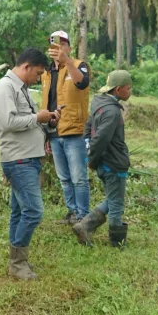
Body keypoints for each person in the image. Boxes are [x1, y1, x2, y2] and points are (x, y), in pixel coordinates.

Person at [0, 47, 57, 280]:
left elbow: (26, 119)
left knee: (19, 211)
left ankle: (16, 260)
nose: (38, 78)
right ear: (26, 67)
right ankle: (17, 262)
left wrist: (46, 119)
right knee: (34, 211)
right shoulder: (4, 88)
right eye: (37, 73)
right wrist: (38, 117)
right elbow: (8, 122)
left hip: (28, 157)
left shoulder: (21, 88)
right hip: (18, 159)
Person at [73, 70, 132, 249]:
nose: (130, 92)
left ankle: (85, 224)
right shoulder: (112, 112)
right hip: (112, 162)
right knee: (116, 203)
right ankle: (116, 242)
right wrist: (91, 159)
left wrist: (88, 150)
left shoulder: (98, 103)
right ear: (118, 89)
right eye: (128, 88)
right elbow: (101, 139)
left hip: (104, 161)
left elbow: (88, 128)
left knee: (114, 198)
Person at [40, 30, 91, 224]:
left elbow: (82, 83)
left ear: (69, 47)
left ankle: (83, 215)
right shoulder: (46, 72)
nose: (58, 49)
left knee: (79, 177)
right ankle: (72, 212)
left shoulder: (79, 66)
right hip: (53, 132)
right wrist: (45, 132)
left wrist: (67, 61)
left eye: (62, 45)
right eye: (54, 45)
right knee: (64, 177)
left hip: (74, 131)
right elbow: (46, 101)